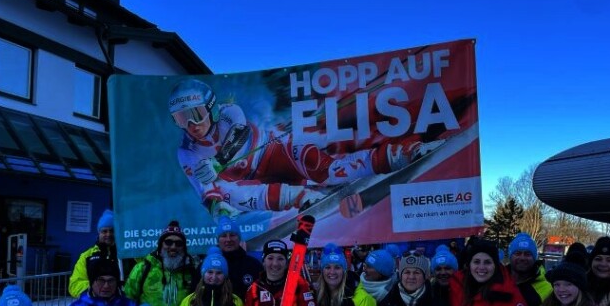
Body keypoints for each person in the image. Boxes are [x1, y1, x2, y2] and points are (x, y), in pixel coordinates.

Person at [168, 78, 442, 216]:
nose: (191, 125)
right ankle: (301, 197)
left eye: (196, 114)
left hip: (273, 152)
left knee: (324, 168)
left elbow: (238, 136)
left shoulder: (230, 112)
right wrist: (219, 211)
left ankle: (401, 154)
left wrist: (217, 163)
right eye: (181, 119)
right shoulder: (186, 152)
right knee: (227, 192)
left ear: (212, 108)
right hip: (254, 182)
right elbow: (206, 193)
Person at [123, 220, 198, 306]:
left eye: (178, 243)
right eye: (168, 242)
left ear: (184, 247)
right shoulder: (143, 268)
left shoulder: (192, 272)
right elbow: (127, 304)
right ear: (160, 245)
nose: (173, 247)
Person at [69, 209, 122, 298]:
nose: (108, 234)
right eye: (104, 231)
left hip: (122, 304)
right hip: (94, 304)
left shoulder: (127, 254)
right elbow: (75, 284)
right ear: (99, 233)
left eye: (112, 231)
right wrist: (96, 290)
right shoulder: (87, 256)